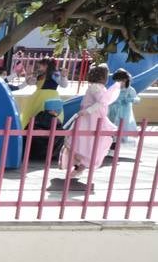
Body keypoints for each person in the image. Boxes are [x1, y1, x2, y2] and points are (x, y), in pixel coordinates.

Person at [53, 65, 119, 194]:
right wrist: (88, 110)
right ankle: (79, 166)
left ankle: (79, 166)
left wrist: (87, 110)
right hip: (91, 118)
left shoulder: (96, 87)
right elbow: (101, 102)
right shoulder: (96, 87)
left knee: (85, 141)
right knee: (87, 142)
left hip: (91, 118)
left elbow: (101, 102)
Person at [108, 68, 138, 133]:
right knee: (112, 123)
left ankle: (122, 137)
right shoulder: (114, 88)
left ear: (125, 80)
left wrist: (130, 100)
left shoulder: (129, 89)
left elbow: (137, 99)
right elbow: (108, 97)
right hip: (113, 109)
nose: (118, 83)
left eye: (121, 81)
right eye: (117, 81)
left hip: (124, 111)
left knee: (123, 124)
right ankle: (112, 138)